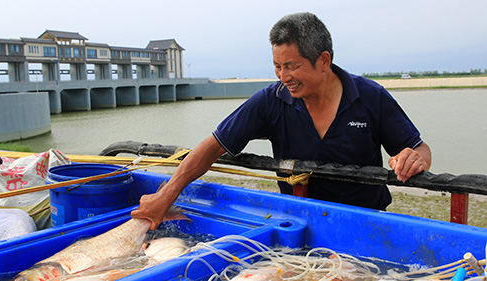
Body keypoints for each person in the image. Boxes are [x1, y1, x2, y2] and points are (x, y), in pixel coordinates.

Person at [132, 12, 432, 230]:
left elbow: (419, 148)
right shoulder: (271, 100)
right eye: (277, 65)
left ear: (324, 61)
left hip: (368, 221)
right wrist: (166, 195)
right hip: (300, 223)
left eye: (292, 66)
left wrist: (414, 158)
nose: (283, 76)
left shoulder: (370, 97)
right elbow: (212, 146)